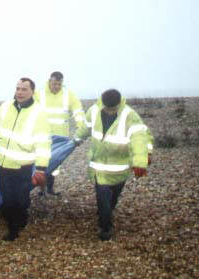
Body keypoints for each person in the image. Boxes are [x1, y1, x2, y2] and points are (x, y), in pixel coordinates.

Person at [74, 89, 153, 241]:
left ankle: (107, 212)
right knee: (102, 197)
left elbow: (140, 139)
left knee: (113, 197)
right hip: (99, 167)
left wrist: (140, 162)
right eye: (107, 108)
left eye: (113, 109)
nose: (110, 112)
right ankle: (105, 227)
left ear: (119, 104)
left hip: (120, 169)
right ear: (102, 103)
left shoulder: (130, 116)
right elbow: (86, 128)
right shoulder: (94, 110)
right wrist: (76, 139)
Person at [0, 78, 51, 241]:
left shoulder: (39, 113)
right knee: (7, 199)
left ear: (32, 92)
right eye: (18, 88)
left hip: (23, 166)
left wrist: (41, 168)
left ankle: (21, 218)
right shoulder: (5, 107)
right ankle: (13, 229)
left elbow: (43, 142)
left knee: (20, 199)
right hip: (3, 163)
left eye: (24, 89)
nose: (20, 92)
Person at [34, 71, 85, 196]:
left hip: (61, 137)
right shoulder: (39, 94)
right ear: (49, 81)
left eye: (59, 84)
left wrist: (81, 128)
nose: (56, 86)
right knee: (41, 161)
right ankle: (41, 189)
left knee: (55, 163)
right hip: (42, 136)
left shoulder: (69, 95)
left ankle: (50, 188)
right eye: (54, 83)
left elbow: (78, 112)